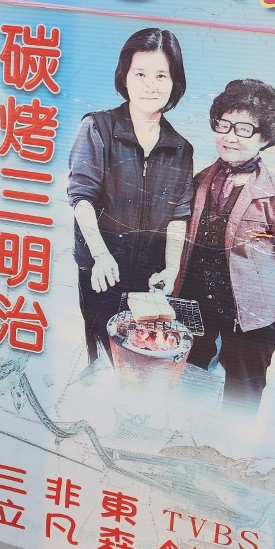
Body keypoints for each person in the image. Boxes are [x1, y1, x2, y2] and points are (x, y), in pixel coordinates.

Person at [177, 78, 275, 414]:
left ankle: (235, 442)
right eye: (224, 125)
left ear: (266, 137)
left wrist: (261, 294)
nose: (230, 136)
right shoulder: (200, 181)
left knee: (243, 387)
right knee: (189, 375)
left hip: (255, 313)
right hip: (198, 300)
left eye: (244, 129)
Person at [68, 27, 194, 365]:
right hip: (101, 267)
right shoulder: (97, 128)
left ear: (174, 82)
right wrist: (100, 255)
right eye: (140, 74)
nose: (150, 85)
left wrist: (171, 267)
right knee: (104, 354)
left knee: (144, 356)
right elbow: (82, 198)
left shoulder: (181, 148)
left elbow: (179, 216)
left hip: (150, 278)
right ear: (125, 77)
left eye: (161, 75)